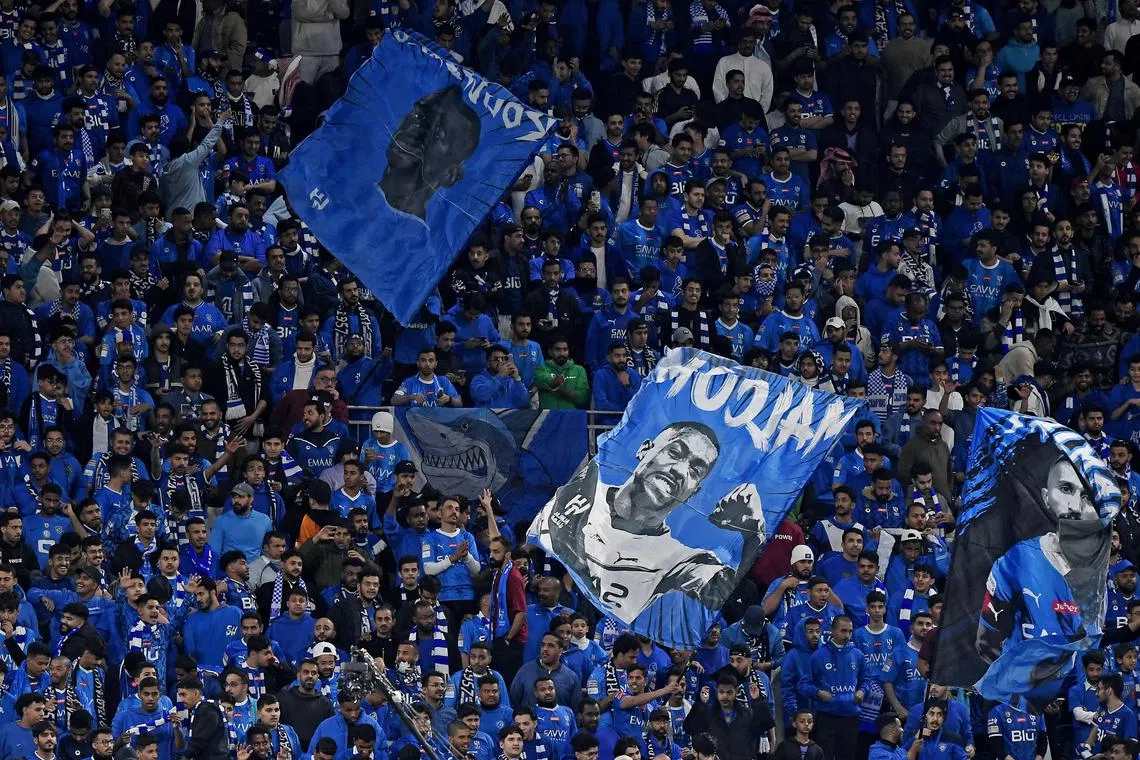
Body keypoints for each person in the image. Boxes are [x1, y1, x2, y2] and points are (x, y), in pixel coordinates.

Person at [533, 421, 764, 622]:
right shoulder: (583, 493)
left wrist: (754, 534)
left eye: (695, 470)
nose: (680, 470)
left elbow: (721, 598)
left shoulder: (682, 560)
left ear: (694, 491)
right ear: (645, 449)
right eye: (675, 452)